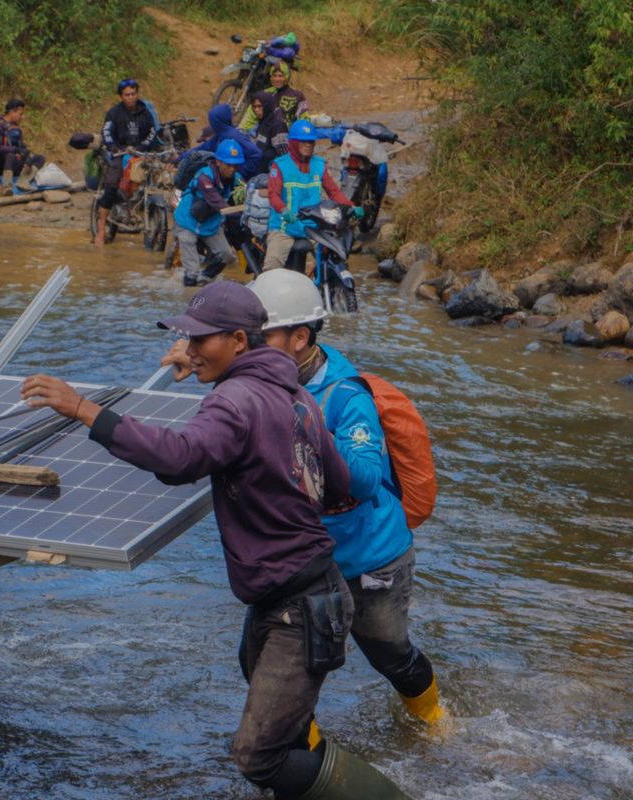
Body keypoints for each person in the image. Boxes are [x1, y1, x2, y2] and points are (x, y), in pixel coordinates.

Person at [20, 282, 413, 799]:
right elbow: (338, 482)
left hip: (297, 606)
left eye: (200, 340)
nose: (188, 350)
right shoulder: (296, 397)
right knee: (287, 730)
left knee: (258, 755)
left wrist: (84, 410)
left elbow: (182, 458)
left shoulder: (236, 400)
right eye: (187, 338)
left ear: (238, 342)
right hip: (302, 591)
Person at [250, 269, 446, 726]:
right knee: (268, 667)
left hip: (368, 559)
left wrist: (306, 427)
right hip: (300, 561)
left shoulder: (345, 395)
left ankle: (434, 721)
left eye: (262, 335)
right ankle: (296, 753)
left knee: (391, 656)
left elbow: (362, 479)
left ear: (300, 337)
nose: (250, 345)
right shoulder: (260, 382)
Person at [263, 120, 359, 272]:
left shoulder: (319, 165)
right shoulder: (280, 165)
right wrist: (283, 210)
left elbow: (333, 192)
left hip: (313, 227)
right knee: (271, 269)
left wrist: (351, 206)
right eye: (303, 141)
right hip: (284, 228)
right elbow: (273, 194)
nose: (308, 145)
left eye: (311, 142)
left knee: (336, 258)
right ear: (294, 142)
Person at [94, 77, 159, 246]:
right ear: (121, 96)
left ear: (137, 94)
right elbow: (106, 132)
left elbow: (152, 133)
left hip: (140, 153)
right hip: (119, 153)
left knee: (154, 178)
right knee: (111, 184)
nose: (130, 97)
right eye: (127, 95)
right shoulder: (114, 113)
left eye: (133, 94)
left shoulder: (146, 113)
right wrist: (114, 148)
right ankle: (101, 229)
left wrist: (143, 147)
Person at [173, 139, 245, 287]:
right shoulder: (204, 176)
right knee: (191, 272)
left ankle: (206, 278)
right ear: (218, 162)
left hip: (211, 223)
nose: (232, 169)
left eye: (235, 166)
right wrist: (236, 212)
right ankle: (190, 290)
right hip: (188, 221)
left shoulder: (236, 180)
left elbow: (246, 194)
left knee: (226, 255)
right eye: (228, 165)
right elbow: (216, 200)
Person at [0, 97, 46, 196]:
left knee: (40, 158)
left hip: (11, 162)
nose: (21, 117)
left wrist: (26, 155)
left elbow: (20, 147)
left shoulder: (15, 127)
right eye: (20, 114)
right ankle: (7, 186)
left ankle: (23, 181)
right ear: (12, 112)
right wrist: (16, 150)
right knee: (10, 154)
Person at [182, 103, 261, 181]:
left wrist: (240, 174)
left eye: (213, 121)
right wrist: (180, 158)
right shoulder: (220, 136)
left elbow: (256, 154)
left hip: (244, 180)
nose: (212, 124)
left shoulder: (235, 137)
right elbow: (201, 148)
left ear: (218, 121)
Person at [238, 61, 309, 130]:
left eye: (280, 76)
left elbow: (304, 117)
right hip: (265, 133)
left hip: (289, 134)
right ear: (271, 78)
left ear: (286, 77)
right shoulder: (264, 95)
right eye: (274, 76)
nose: (277, 79)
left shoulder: (297, 95)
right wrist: (241, 129)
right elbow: (250, 116)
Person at [248, 91, 290, 168]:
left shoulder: (278, 126)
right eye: (254, 107)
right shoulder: (261, 122)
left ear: (267, 106)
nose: (256, 110)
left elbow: (283, 156)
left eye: (259, 106)